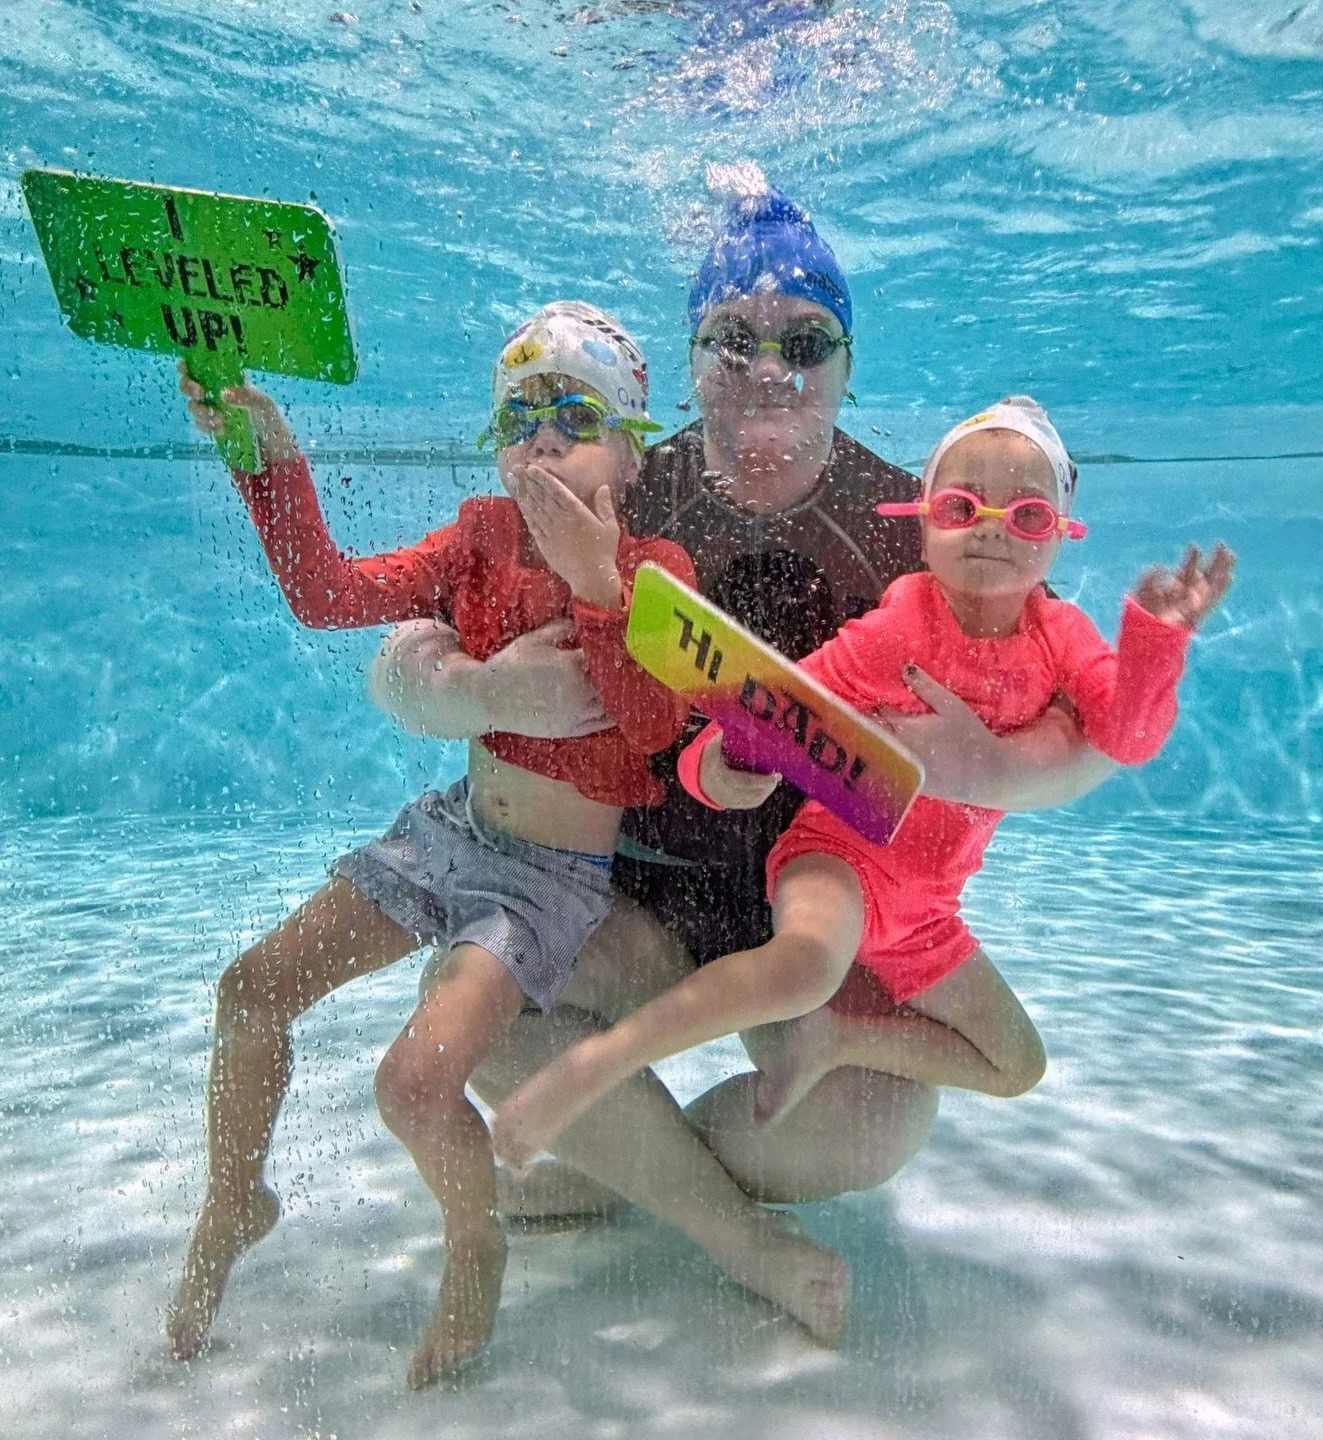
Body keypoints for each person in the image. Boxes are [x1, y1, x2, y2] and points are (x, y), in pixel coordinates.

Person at [371, 188, 1117, 1242]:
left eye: (805, 342)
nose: (770, 369)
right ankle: (707, 1211)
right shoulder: (609, 478)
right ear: (690, 361)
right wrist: (470, 693)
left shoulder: (919, 528)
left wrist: (989, 769)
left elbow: (1098, 733)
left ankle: (611, 1165)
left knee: (875, 1126)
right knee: (479, 1004)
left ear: (848, 367)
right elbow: (400, 654)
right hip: (623, 891)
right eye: (734, 340)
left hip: (809, 909)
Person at [165, 303, 841, 1388]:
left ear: (630, 448)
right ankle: (233, 1198)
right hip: (449, 834)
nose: (538, 435)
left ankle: (476, 1245)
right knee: (250, 992)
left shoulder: (656, 570)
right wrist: (268, 457)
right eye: (517, 414)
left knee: (415, 1087)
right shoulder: (477, 534)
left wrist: (594, 582)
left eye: (572, 415)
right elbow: (326, 593)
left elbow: (652, 734)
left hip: (548, 885)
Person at [486, 397, 1235, 1166]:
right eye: (959, 505)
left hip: (927, 909)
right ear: (922, 520)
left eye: (1028, 516)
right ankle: (593, 1066)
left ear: (1063, 533)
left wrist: (1156, 641)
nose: (990, 527)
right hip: (839, 858)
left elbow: (1128, 736)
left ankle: (840, 1040)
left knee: (1017, 1064)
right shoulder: (898, 630)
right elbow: (768, 709)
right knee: (807, 966)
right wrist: (712, 766)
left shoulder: (1061, 638)